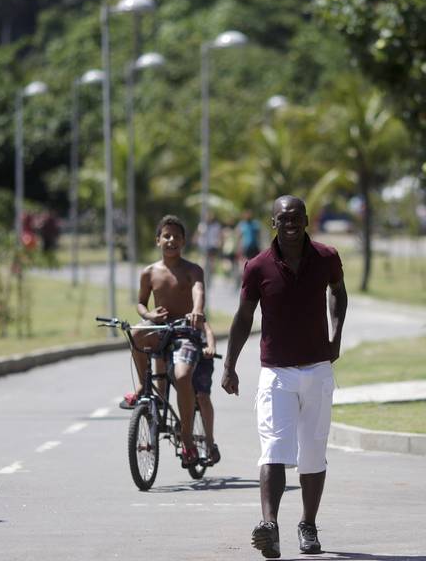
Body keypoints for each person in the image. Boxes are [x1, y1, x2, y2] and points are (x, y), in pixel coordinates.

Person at [221, 195, 347, 558]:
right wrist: (229, 365)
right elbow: (244, 317)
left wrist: (335, 336)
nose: (290, 223)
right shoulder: (258, 266)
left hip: (318, 371)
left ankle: (307, 524)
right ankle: (270, 526)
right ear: (272, 223)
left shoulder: (326, 257)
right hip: (275, 373)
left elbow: (338, 293)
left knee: (312, 453)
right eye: (283, 218)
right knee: (274, 448)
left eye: (297, 217)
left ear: (306, 220)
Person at [120, 215, 206, 468]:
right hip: (160, 328)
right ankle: (142, 387)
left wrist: (197, 311)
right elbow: (140, 302)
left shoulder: (193, 270)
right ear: (158, 240)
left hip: (184, 332)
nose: (171, 241)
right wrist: (148, 315)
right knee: (136, 333)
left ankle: (188, 439)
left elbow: (198, 292)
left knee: (181, 377)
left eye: (176, 237)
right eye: (166, 236)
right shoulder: (149, 272)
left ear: (184, 242)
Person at [192, 320, 221, 466]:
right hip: (180, 357)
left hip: (202, 357)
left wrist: (211, 347)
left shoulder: (194, 311)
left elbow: (208, 330)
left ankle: (209, 442)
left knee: (202, 397)